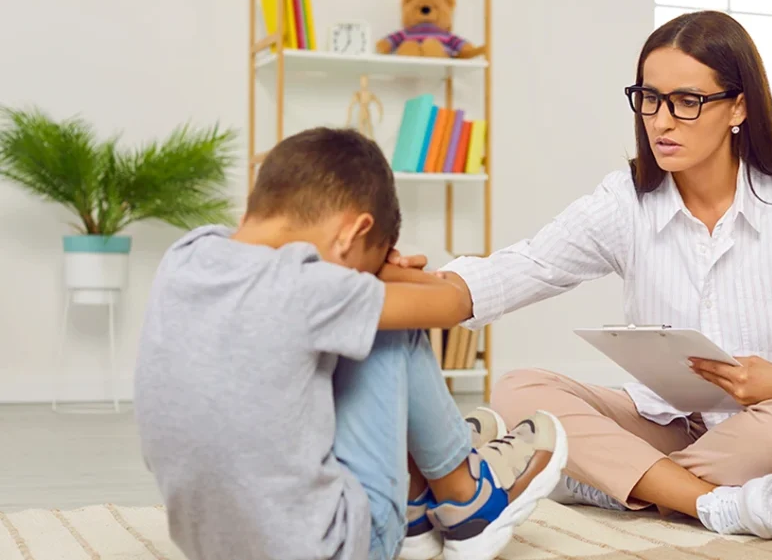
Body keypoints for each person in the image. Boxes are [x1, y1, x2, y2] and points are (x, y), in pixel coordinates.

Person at [390, 10, 772, 540]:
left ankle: (612, 481)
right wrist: (410, 281)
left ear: (739, 106)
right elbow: (529, 265)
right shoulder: (627, 198)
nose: (662, 121)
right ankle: (704, 501)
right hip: (669, 425)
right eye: (649, 98)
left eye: (687, 102)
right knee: (518, 391)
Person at [134, 127, 568, 560]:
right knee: (391, 321)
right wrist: (387, 273)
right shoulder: (309, 289)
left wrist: (366, 267)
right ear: (352, 231)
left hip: (209, 548)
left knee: (360, 316)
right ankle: (466, 497)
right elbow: (449, 304)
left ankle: (418, 501)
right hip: (336, 549)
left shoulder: (186, 255)